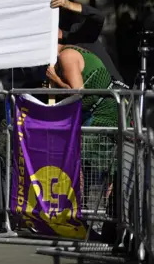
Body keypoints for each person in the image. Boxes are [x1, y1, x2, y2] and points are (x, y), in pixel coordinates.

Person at [46, 33, 118, 243]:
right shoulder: (70, 52)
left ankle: (94, 226)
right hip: (97, 119)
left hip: (101, 121)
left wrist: (56, 80)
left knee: (95, 174)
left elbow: (79, 94)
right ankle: (93, 225)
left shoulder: (67, 56)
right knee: (94, 174)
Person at [50, 0, 124, 83]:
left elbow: (98, 17)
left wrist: (68, 4)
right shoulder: (50, 54)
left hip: (113, 92)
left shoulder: (78, 33)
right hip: (89, 94)